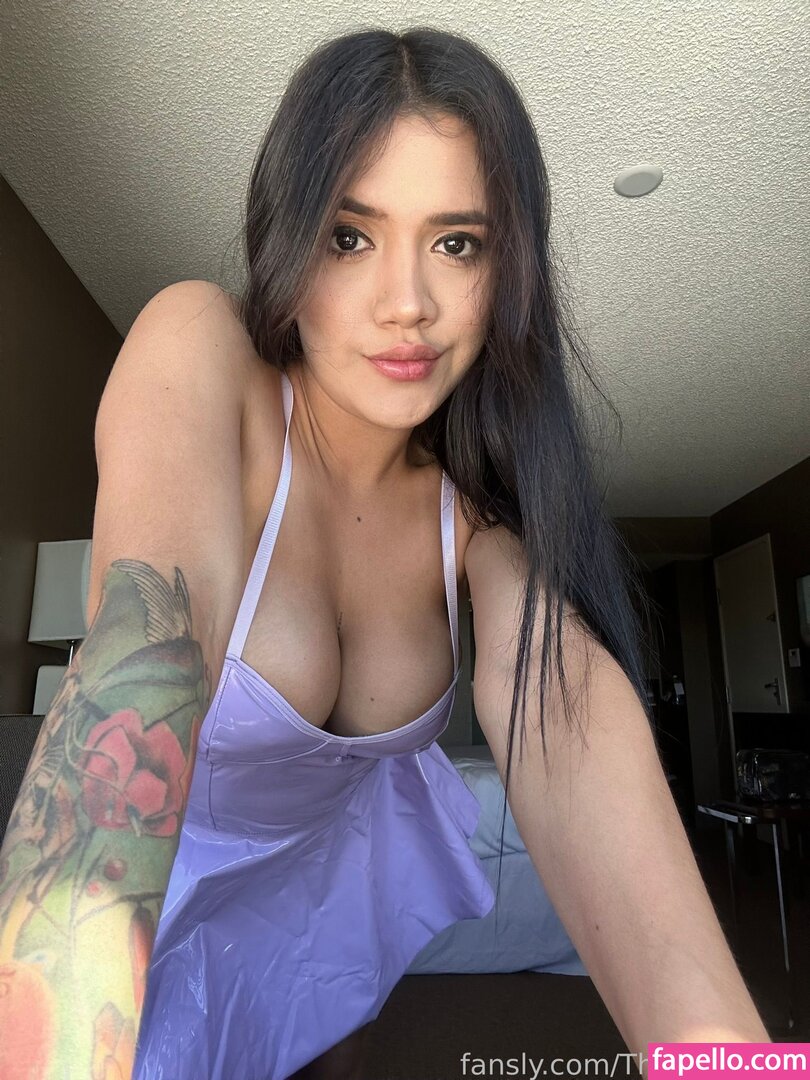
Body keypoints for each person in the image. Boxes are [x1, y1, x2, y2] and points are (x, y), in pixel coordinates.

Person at [0, 25, 770, 1080]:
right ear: (287, 238)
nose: (407, 302)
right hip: (151, 908)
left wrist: (729, 1061)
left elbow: (573, 733)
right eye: (350, 236)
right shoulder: (201, 351)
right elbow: (141, 669)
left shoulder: (479, 518)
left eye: (458, 244)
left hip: (323, 908)